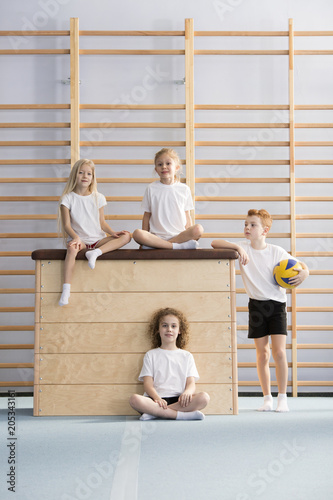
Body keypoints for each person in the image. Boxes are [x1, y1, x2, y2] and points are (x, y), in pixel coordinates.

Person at [211, 209, 309, 412]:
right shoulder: (243, 248)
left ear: (265, 230)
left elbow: (302, 266)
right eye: (246, 224)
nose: (247, 227)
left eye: (252, 225)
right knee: (262, 354)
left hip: (277, 306)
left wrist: (305, 273)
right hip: (256, 306)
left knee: (279, 352)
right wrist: (237, 246)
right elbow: (214, 243)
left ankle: (282, 397)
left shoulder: (276, 251)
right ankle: (267, 398)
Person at [58, 159, 131, 306]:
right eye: (81, 172)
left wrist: (113, 232)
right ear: (74, 175)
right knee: (71, 250)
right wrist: (76, 238)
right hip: (81, 241)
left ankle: (96, 253)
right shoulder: (68, 198)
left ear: (92, 177)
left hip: (98, 240)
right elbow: (66, 225)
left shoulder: (98, 197)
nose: (85, 176)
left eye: (89, 173)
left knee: (127, 236)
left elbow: (102, 223)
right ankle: (66, 289)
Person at [129, 307, 210, 420]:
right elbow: (147, 384)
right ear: (158, 329)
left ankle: (154, 413)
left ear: (180, 330)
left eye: (173, 326)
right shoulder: (151, 355)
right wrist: (157, 398)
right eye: (164, 325)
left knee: (204, 398)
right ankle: (180, 415)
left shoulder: (186, 356)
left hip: (179, 401)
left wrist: (187, 392)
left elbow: (191, 383)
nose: (169, 329)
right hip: (156, 400)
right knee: (134, 399)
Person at [133, 148, 203, 249]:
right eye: (160, 164)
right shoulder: (151, 188)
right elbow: (147, 216)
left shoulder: (184, 189)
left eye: (168, 163)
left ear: (177, 167)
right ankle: (176, 246)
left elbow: (187, 215)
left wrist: (190, 236)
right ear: (156, 169)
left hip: (179, 236)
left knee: (198, 229)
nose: (164, 167)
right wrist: (143, 241)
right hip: (156, 237)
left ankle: (163, 246)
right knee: (137, 234)